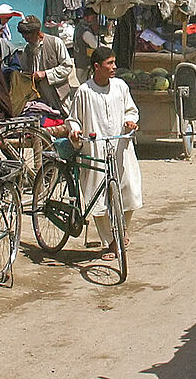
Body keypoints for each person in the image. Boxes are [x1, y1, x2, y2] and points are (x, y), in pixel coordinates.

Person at [65, 47, 139, 260]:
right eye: (110, 63)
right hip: (95, 149)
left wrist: (130, 122)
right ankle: (111, 241)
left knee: (129, 191)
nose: (114, 67)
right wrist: (75, 131)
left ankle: (123, 230)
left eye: (114, 62)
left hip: (120, 147)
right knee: (99, 199)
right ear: (97, 67)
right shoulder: (85, 91)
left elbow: (131, 110)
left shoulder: (120, 87)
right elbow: (73, 119)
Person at [18, 15, 74, 108]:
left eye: (28, 34)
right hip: (40, 98)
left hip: (59, 97)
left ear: (37, 32)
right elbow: (25, 71)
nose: (25, 37)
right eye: (23, 35)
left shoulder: (55, 42)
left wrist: (46, 74)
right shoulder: (27, 50)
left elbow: (67, 67)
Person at [72, 8, 103, 82]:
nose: (95, 20)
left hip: (80, 62)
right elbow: (95, 45)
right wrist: (95, 32)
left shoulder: (80, 26)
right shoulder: (85, 31)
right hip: (84, 64)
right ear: (86, 17)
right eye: (93, 18)